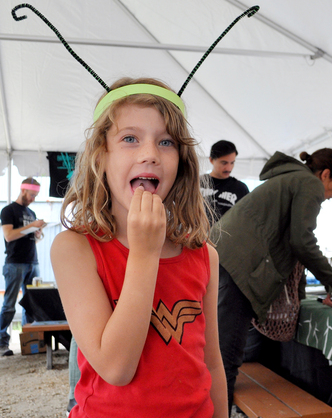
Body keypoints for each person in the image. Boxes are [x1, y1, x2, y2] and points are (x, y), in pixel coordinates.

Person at [51, 77, 227, 417]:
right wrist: (145, 254)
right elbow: (117, 369)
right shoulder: (74, 249)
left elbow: (212, 363)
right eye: (130, 138)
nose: (150, 154)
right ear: (100, 156)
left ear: (182, 162)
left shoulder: (205, 255)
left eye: (166, 142)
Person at [213, 148, 332, 414]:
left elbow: (292, 245)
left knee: (224, 353)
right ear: (324, 175)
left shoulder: (289, 179)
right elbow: (302, 241)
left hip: (225, 259)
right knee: (227, 357)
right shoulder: (309, 183)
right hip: (238, 266)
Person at [0, 177, 45, 357]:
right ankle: (2, 342)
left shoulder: (31, 213)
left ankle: (30, 341)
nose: (33, 198)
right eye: (32, 195)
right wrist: (31, 226)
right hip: (15, 262)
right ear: (23, 190)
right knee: (10, 305)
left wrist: (37, 232)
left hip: (32, 261)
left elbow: (34, 238)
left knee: (31, 304)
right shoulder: (8, 210)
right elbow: (9, 235)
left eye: (36, 195)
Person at [201, 140, 249, 222]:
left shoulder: (240, 188)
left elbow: (246, 218)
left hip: (227, 234)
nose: (228, 168)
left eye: (232, 163)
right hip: (196, 233)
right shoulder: (197, 183)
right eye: (224, 163)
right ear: (211, 160)